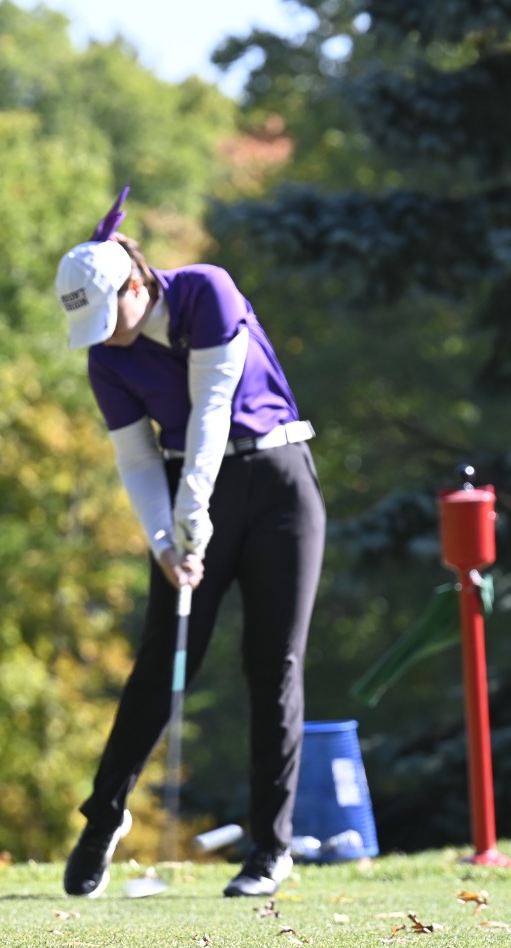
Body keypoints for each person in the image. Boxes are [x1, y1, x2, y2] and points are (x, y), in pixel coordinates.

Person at [54, 188, 325, 898]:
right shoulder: (107, 358)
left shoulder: (209, 291)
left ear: (135, 284)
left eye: (111, 318)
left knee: (273, 664)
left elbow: (212, 408)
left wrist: (191, 510)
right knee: (163, 660)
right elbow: (139, 460)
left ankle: (270, 849)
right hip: (185, 485)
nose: (106, 338)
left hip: (277, 481)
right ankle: (104, 817)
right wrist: (165, 540)